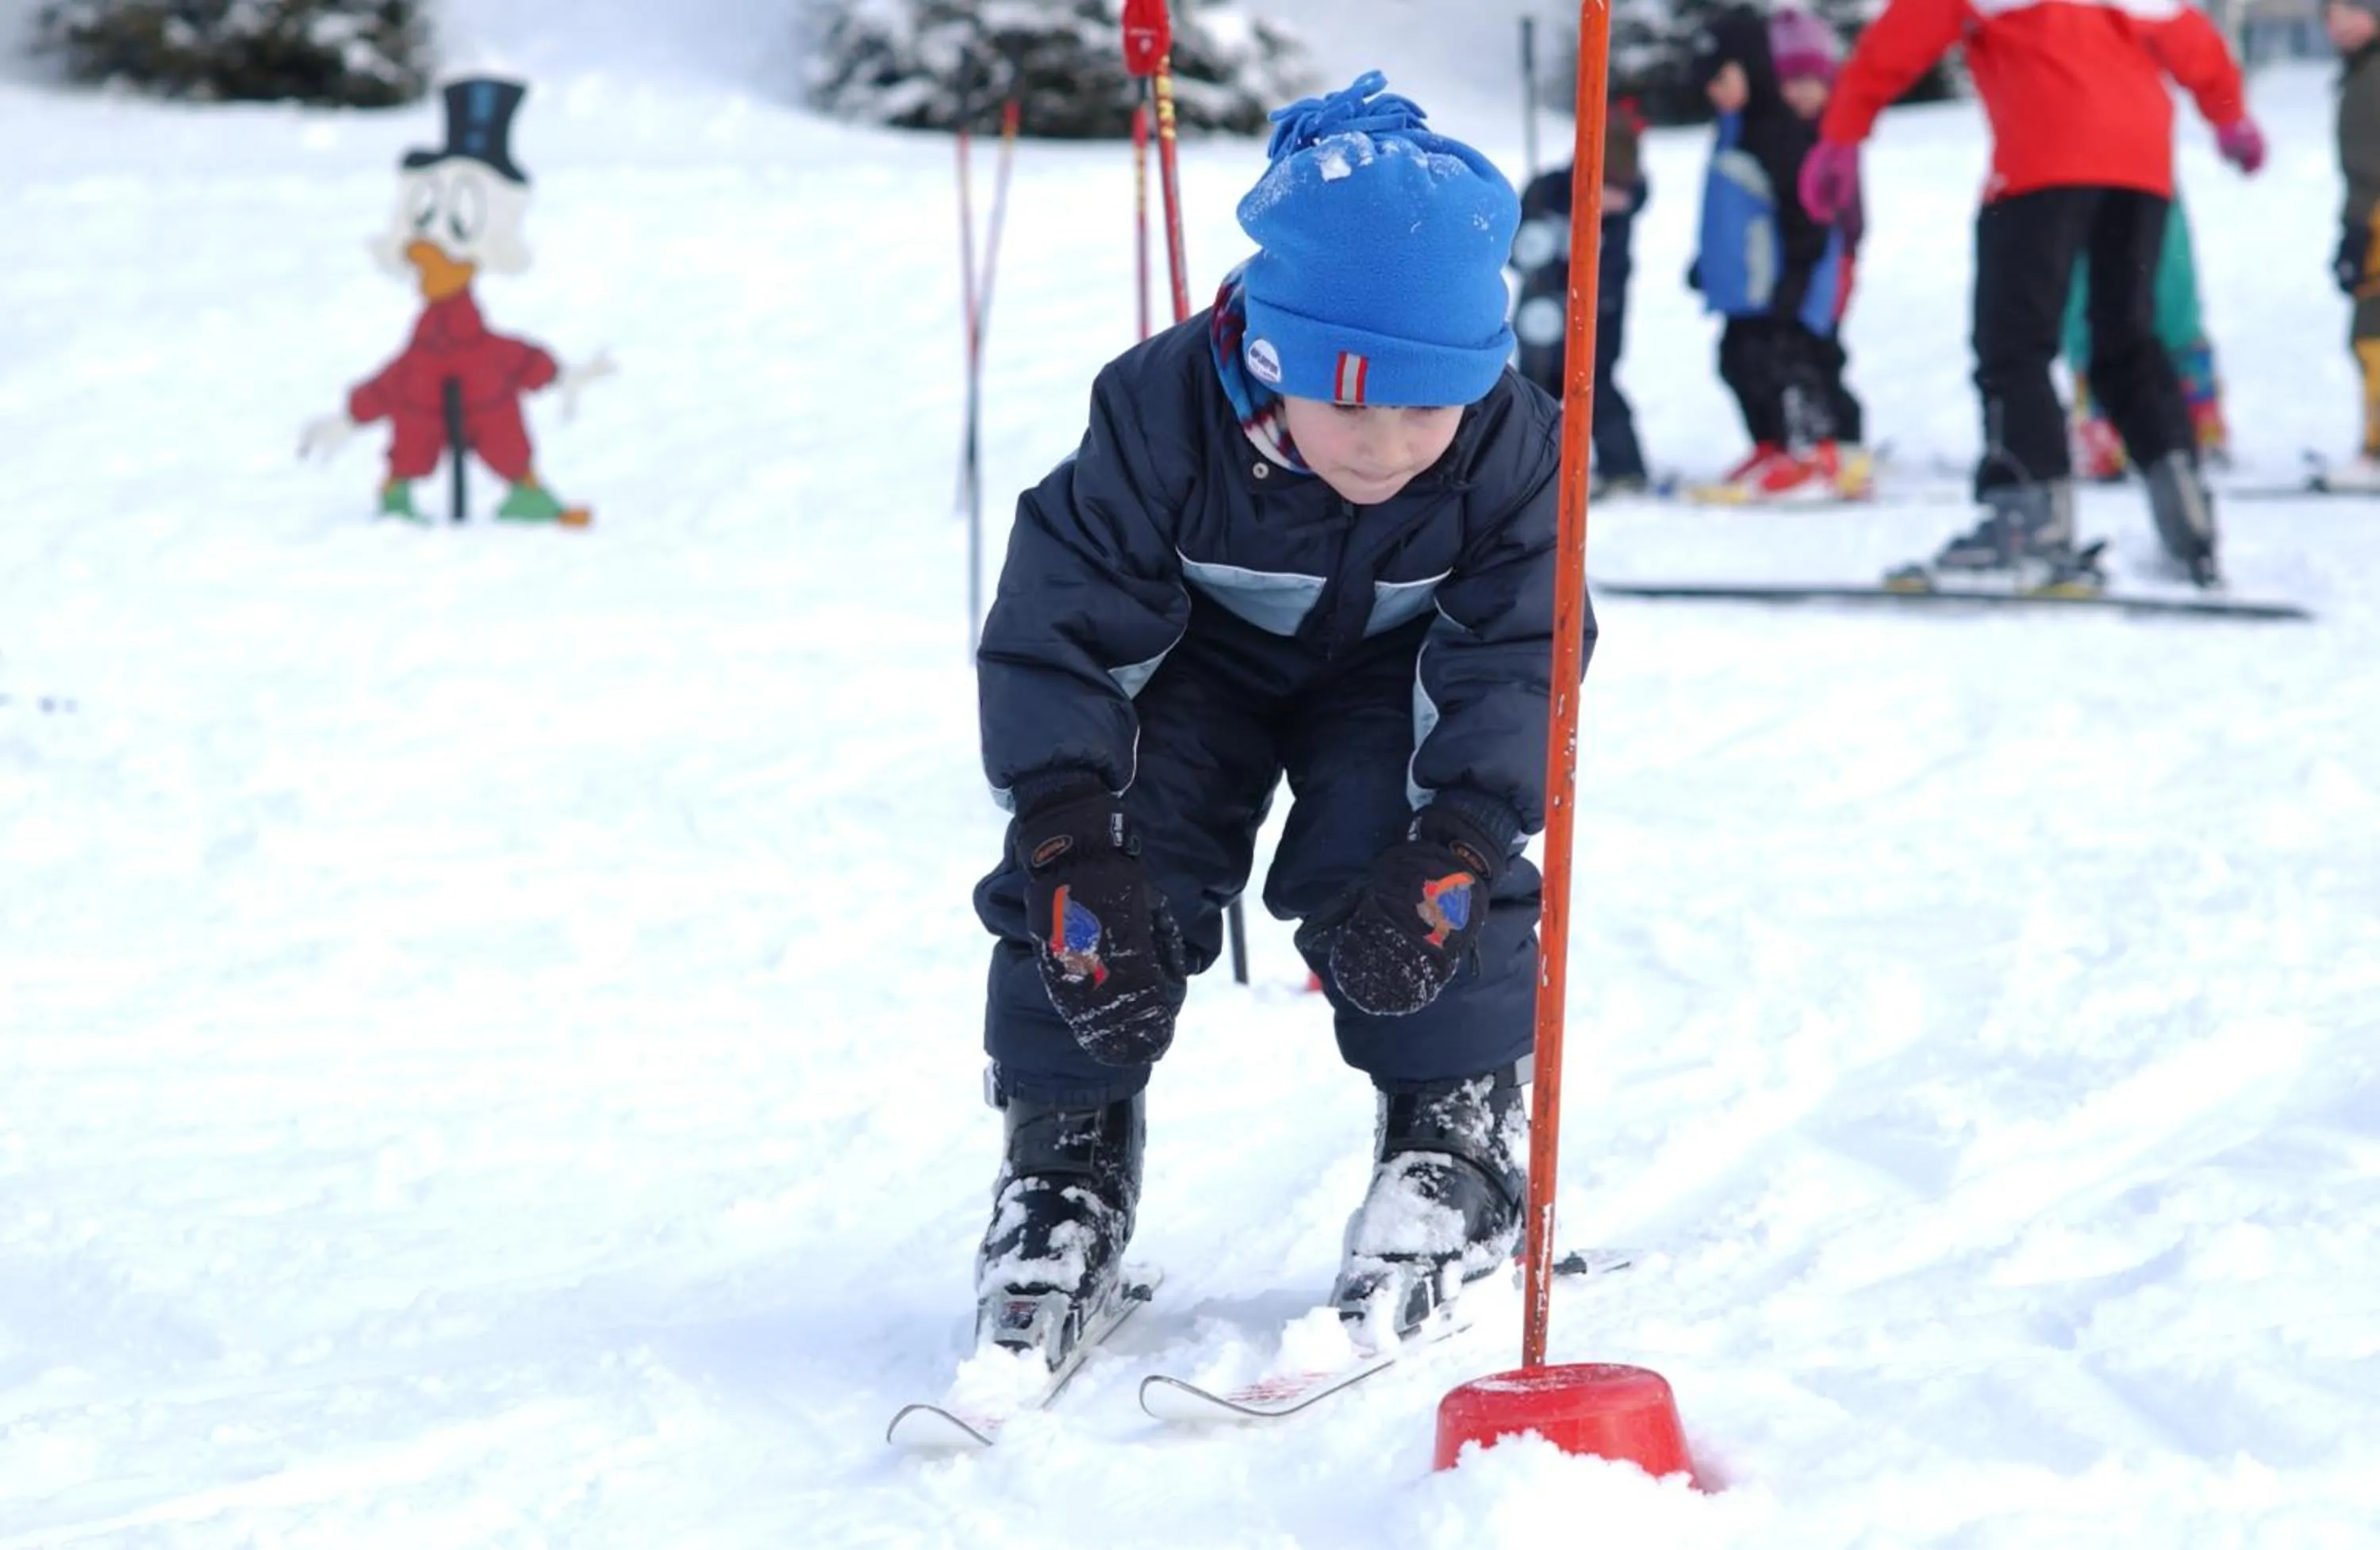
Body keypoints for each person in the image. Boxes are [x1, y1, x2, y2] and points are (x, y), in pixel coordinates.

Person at [968, 71, 1586, 1367]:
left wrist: (1465, 835)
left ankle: (1451, 1137)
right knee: (1110, 867)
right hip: (1192, 656)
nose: (1390, 442)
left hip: (1401, 667)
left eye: (1429, 404)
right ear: (1276, 354)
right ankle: (1063, 1158)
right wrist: (1070, 827)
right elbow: (1062, 621)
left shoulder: (1514, 445)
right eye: (1351, 399)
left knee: (1403, 853)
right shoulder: (1160, 412)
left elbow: (1524, 650)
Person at [1800, 0, 2264, 587]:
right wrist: (2229, 116)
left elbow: (1901, 36)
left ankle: (2028, 518)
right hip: (2140, 166)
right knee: (2126, 340)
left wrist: (1842, 133)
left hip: (2044, 157)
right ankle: (2187, 515)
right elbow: (2190, 36)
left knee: (2014, 343)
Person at [1686, 6, 1871, 503]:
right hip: (1749, 283)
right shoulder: (1735, 125)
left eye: (1722, 78)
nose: (1714, 91)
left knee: (1791, 361)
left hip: (1786, 278)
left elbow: (1807, 213)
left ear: (1750, 66)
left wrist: (1799, 278)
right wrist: (1707, 265)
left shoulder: (1779, 131)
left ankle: (1816, 447)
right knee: (1737, 360)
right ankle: (1772, 443)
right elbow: (1727, 207)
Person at [1511, 98, 1651, 494]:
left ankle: (1625, 469)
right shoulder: (1546, 192)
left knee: (1596, 391)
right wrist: (1537, 252)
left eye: (1624, 191)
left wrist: (1595, 298)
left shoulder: (1618, 219)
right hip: (1541, 323)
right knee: (1532, 395)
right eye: (1610, 188)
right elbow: (1517, 250)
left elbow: (1613, 273)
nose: (1617, 201)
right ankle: (1529, 473)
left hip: (1597, 323)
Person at [2324, 0, 2380, 489]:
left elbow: (2368, 166)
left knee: (2373, 332)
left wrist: (2359, 229)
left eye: (2353, 12)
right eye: (2332, 14)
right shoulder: (2361, 73)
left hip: (2377, 220)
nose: (2339, 25)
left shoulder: (2372, 79)